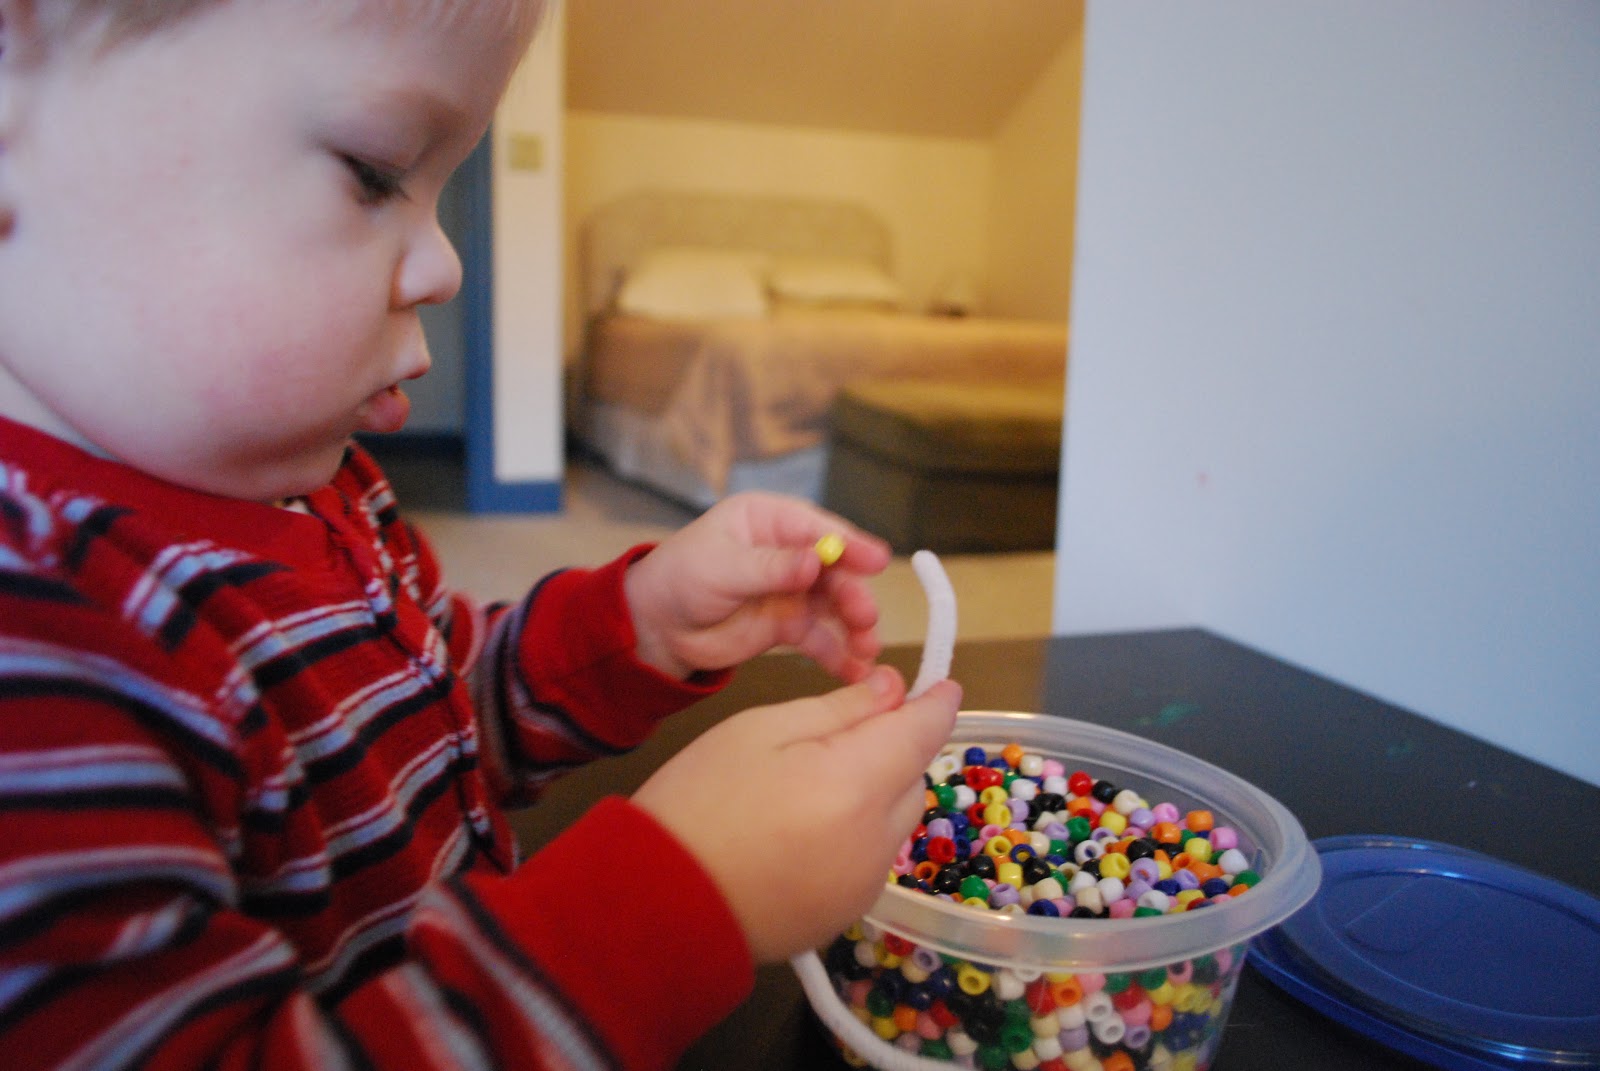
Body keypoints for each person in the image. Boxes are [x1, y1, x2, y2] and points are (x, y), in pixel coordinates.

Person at [0, 2, 964, 1069]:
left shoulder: (317, 491)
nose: (445, 266)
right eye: (373, 170)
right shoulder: (37, 658)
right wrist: (682, 902)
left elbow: (427, 719)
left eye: (440, 188)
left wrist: (638, 625)